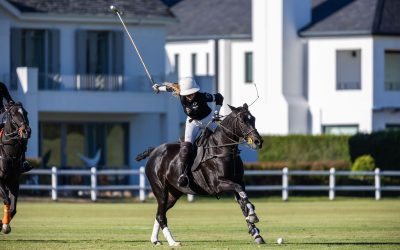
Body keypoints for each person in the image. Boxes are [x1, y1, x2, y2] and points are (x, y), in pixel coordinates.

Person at [152, 77, 224, 187]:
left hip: (208, 119)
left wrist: (217, 112)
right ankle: (183, 174)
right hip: (193, 122)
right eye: (188, 94)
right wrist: (158, 88)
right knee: (186, 148)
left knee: (222, 139)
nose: (190, 96)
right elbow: (170, 88)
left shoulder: (203, 96)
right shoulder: (181, 92)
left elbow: (219, 98)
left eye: (192, 93)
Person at [0, 81, 32, 173]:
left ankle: (23, 161)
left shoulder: (1, 86)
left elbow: (9, 99)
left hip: (1, 114)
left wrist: (10, 104)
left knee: (20, 131)